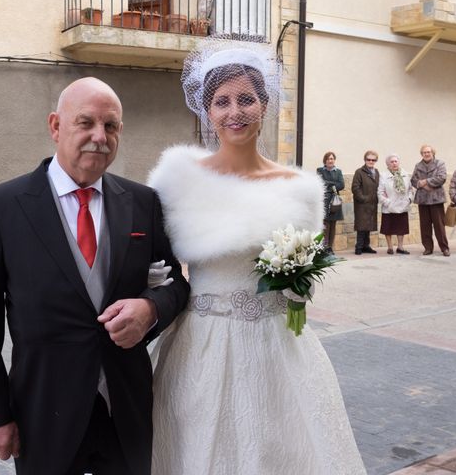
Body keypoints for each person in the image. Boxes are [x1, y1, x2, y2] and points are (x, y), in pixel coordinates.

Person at [148, 38, 366, 474]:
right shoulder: (179, 182)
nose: (235, 112)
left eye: (246, 99)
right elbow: (162, 266)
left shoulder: (299, 189)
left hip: (278, 345)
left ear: (264, 105)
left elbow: (302, 274)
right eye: (222, 101)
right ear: (207, 111)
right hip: (200, 347)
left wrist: (299, 292)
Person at [0, 77, 190, 475]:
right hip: (43, 410)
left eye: (111, 126)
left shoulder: (143, 202)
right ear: (55, 126)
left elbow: (177, 285)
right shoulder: (2, 207)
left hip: (126, 406)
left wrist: (151, 309)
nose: (99, 137)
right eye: (86, 123)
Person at [411, 144, 450, 256]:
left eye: (428, 152)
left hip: (436, 199)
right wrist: (421, 184)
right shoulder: (418, 165)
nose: (426, 154)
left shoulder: (440, 163)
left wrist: (426, 181)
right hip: (422, 199)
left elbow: (442, 177)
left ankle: (444, 248)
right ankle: (428, 248)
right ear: (421, 154)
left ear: (433, 153)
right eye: (424, 152)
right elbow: (413, 180)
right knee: (425, 225)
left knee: (439, 225)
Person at [378, 154, 413, 255]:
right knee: (388, 227)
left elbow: (410, 189)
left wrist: (409, 199)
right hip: (389, 206)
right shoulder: (383, 175)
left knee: (401, 227)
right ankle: (390, 247)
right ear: (388, 164)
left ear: (398, 162)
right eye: (391, 162)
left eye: (395, 161)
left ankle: (400, 247)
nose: (394, 163)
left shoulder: (405, 174)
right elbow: (380, 192)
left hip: (402, 205)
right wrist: (387, 202)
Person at [352, 150, 380, 255]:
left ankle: (366, 246)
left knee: (368, 225)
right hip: (362, 204)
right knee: (361, 225)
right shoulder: (359, 172)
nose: (371, 161)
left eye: (373, 160)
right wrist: (363, 198)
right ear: (365, 160)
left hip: (372, 203)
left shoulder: (376, 172)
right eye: (368, 159)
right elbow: (355, 187)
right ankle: (358, 247)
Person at [317, 151, 345, 253]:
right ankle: (324, 247)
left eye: (332, 158)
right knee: (325, 225)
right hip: (324, 201)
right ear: (325, 160)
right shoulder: (320, 170)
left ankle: (330, 247)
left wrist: (329, 184)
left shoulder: (338, 171)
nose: (330, 160)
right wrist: (333, 184)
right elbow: (321, 183)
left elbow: (342, 185)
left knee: (333, 224)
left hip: (334, 202)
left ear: (334, 160)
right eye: (328, 159)